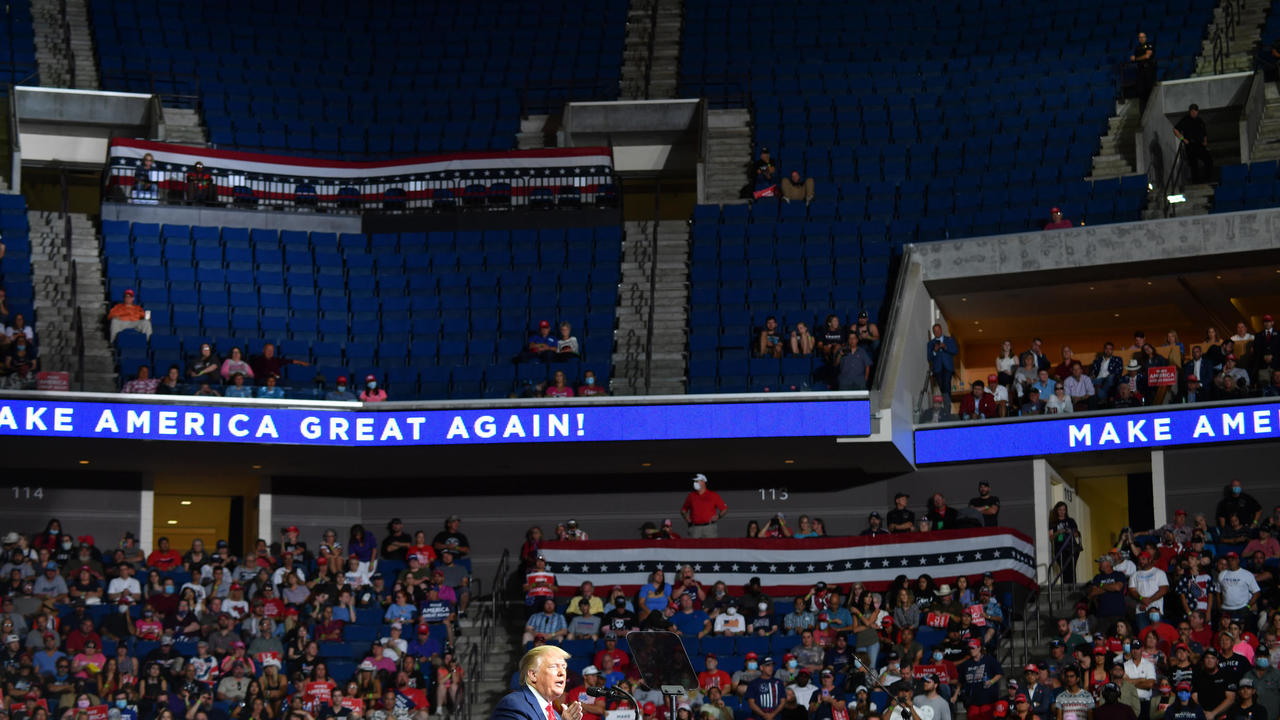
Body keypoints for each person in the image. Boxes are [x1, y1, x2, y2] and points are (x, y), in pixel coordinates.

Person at [491, 646, 584, 720]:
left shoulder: (555, 715)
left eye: (564, 667)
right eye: (553, 666)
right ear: (533, 675)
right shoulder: (513, 704)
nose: (562, 672)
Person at [1174, 104, 1213, 183]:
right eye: (1192, 111)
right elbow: (1175, 130)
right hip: (1190, 145)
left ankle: (1208, 180)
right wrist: (1183, 139)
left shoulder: (1200, 120)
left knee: (1208, 160)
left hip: (1199, 144)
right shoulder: (1185, 120)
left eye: (1195, 111)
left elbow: (1204, 132)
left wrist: (1205, 141)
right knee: (1193, 164)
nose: (1194, 113)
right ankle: (1196, 182)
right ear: (1190, 111)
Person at [681, 474, 727, 538]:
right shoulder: (691, 496)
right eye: (695, 481)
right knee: (694, 547)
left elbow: (724, 509)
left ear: (703, 482)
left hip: (709, 528)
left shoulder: (713, 495)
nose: (695, 483)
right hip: (695, 529)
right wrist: (686, 517)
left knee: (711, 546)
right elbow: (683, 510)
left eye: (697, 481)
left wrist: (718, 516)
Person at [927, 324, 958, 414]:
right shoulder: (930, 344)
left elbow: (955, 351)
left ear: (941, 330)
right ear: (933, 332)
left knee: (947, 384)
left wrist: (945, 347)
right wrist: (934, 351)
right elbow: (929, 358)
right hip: (938, 369)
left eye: (938, 330)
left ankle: (947, 408)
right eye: (935, 331)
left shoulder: (949, 340)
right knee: (942, 388)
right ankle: (946, 406)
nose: (937, 332)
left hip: (948, 367)